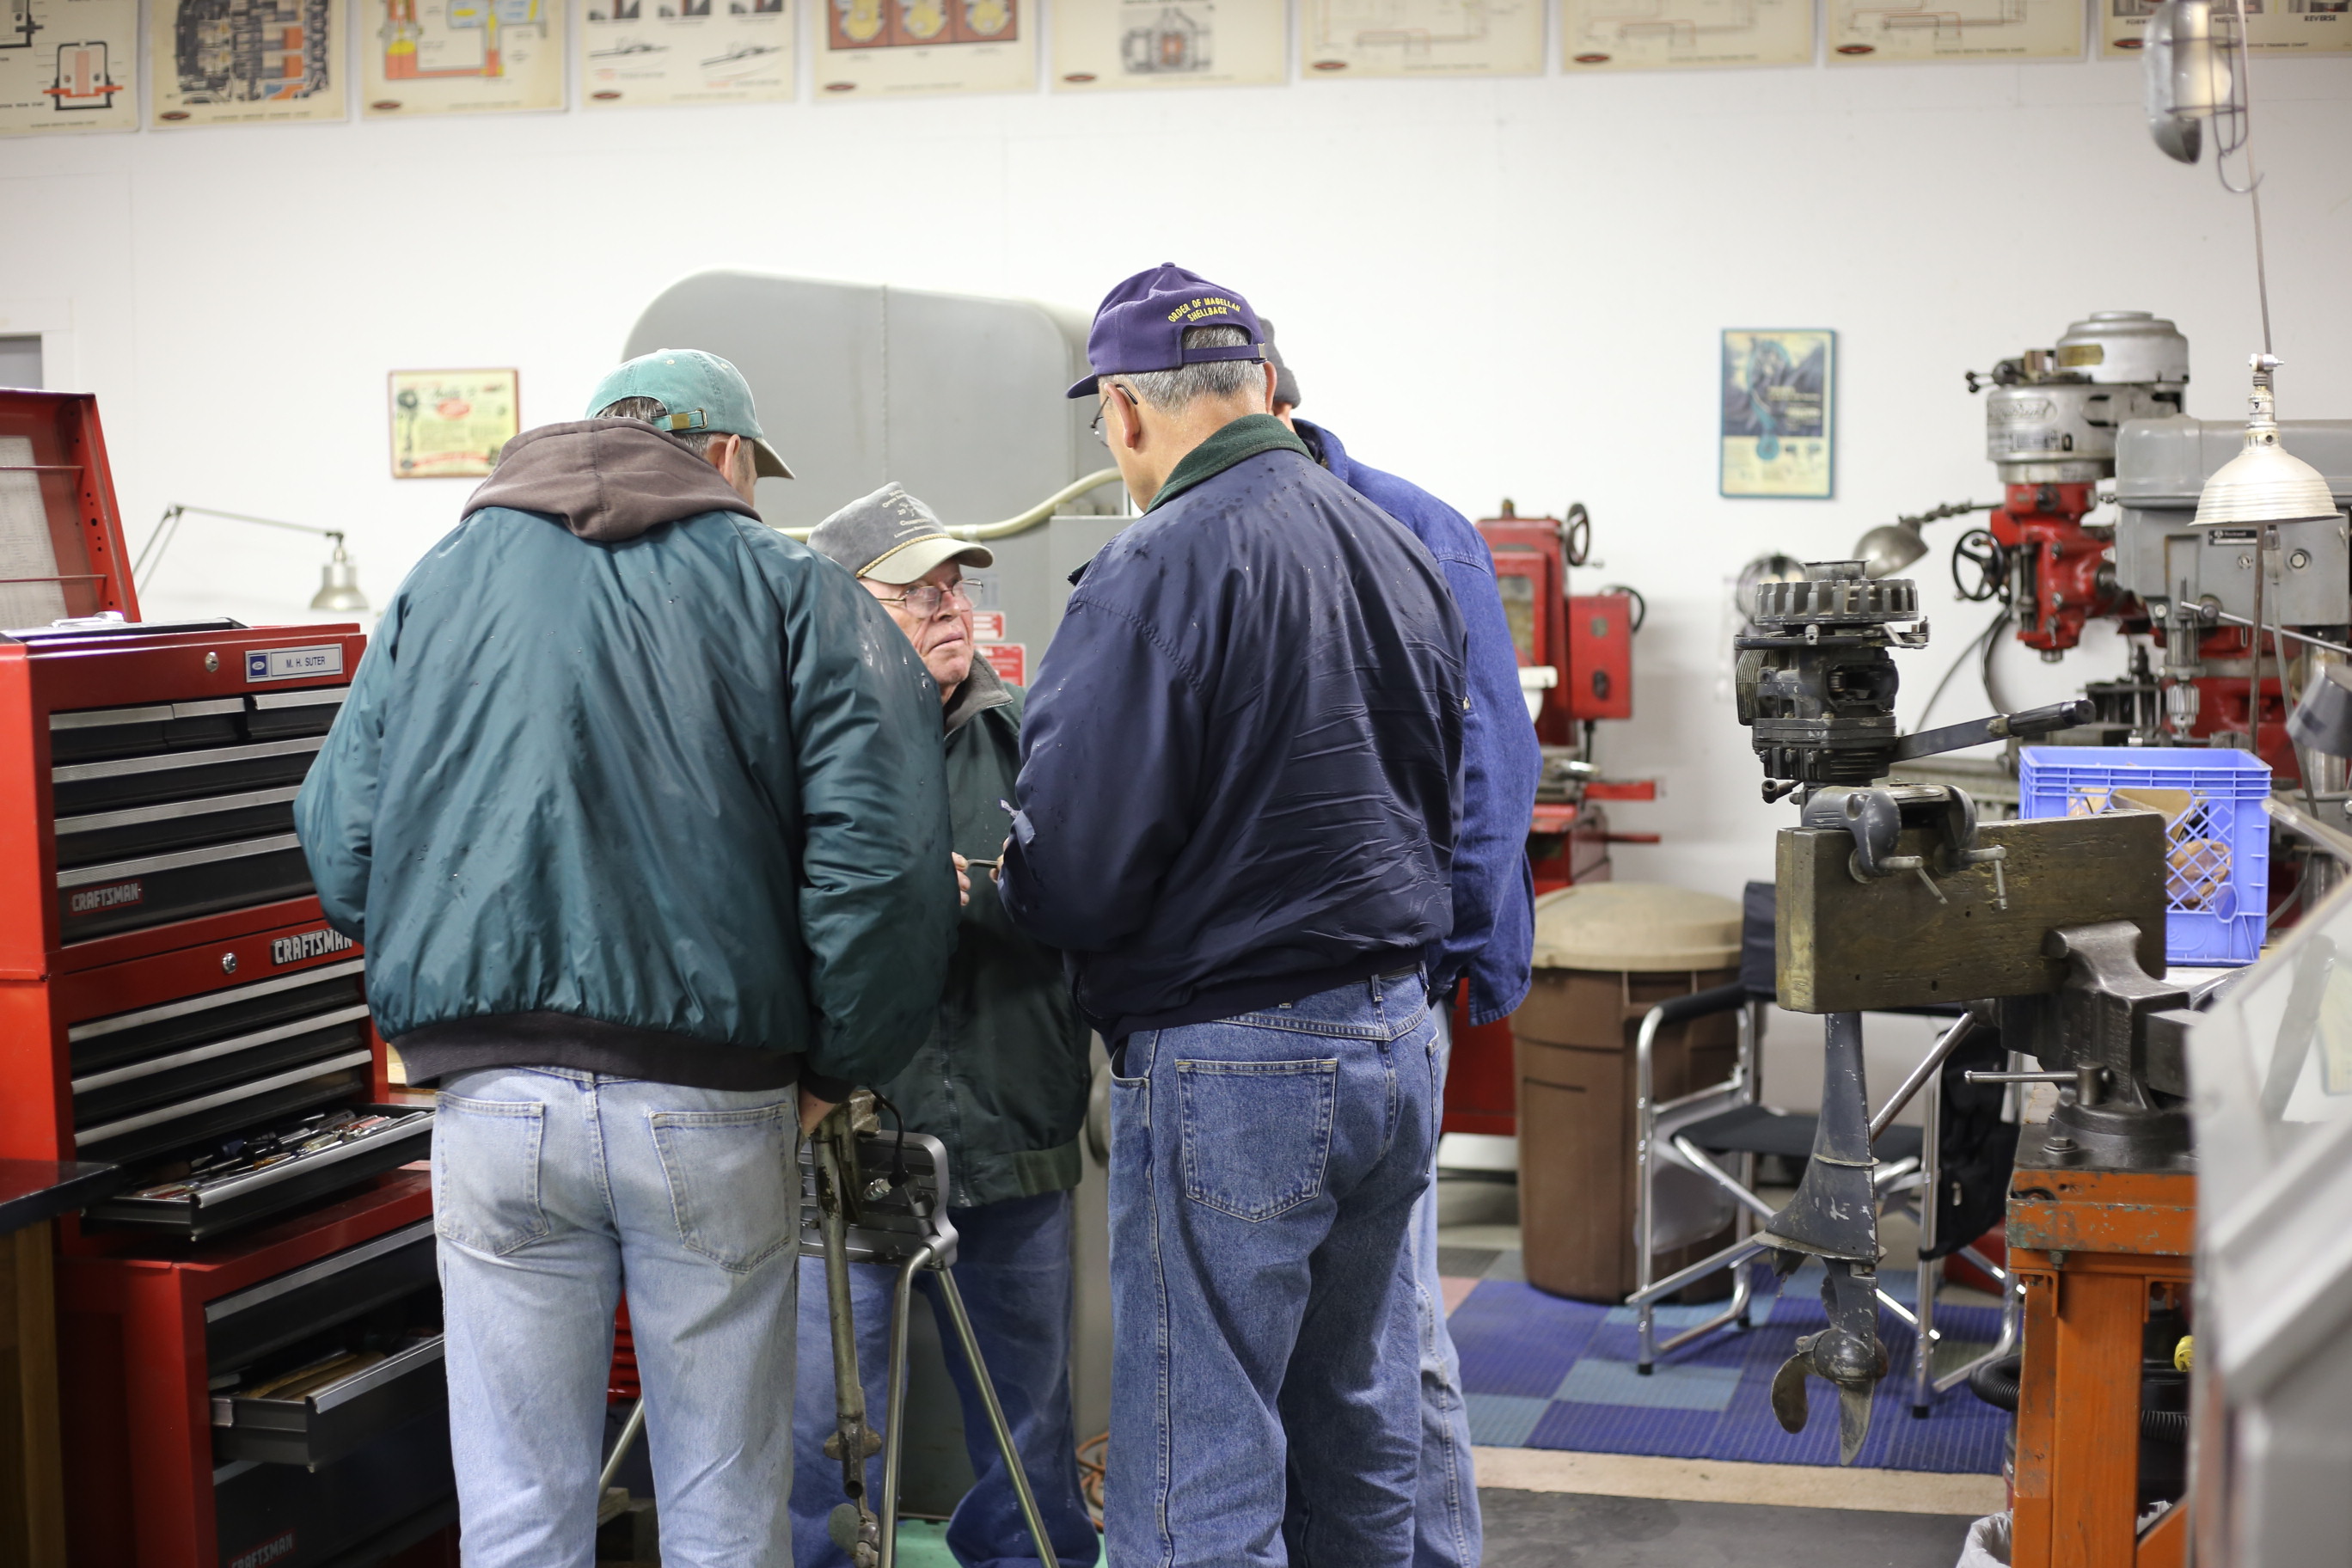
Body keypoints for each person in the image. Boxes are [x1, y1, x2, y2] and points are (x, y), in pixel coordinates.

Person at [295, 349, 959, 1568]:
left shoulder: (442, 580)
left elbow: (342, 848)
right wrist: (838, 1066)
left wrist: (462, 999)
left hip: (492, 1107)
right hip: (712, 1102)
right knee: (721, 1515)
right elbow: (882, 864)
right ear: (725, 455)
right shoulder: (790, 589)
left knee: (517, 1511)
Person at [996, 265, 1467, 1568]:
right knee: (1355, 1430)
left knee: (1196, 1462)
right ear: (1261, 384)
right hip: (1396, 1038)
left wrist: (1011, 883)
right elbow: (1441, 790)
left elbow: (1080, 866)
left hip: (1234, 1061)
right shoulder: (1396, 545)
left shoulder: (1150, 569)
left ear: (1123, 414)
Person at [1262, 320, 1543, 1568]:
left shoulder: (1414, 528)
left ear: (1269, 402)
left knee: (1398, 1323)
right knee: (1345, 1324)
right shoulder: (1241, 530)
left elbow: (1492, 764)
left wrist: (1437, 961)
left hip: (1391, 983)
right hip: (1300, 986)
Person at [789, 482, 1100, 1568]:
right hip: (847, 1148)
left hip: (1012, 1132)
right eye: (915, 593)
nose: (948, 609)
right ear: (843, 611)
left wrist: (984, 894)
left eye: (955, 588)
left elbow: (1094, 899)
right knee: (826, 1429)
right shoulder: (799, 750)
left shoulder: (1031, 738)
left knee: (1029, 1431)